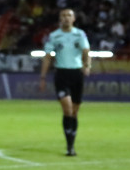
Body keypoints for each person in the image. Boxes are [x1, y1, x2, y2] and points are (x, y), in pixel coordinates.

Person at [39, 9, 91, 156]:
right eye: (63, 16)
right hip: (61, 74)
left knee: (74, 112)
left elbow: (86, 51)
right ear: (60, 19)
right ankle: (69, 147)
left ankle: (71, 144)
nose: (66, 18)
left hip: (76, 74)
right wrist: (42, 77)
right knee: (67, 109)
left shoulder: (79, 34)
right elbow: (47, 57)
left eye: (69, 15)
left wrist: (87, 66)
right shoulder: (54, 36)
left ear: (74, 18)